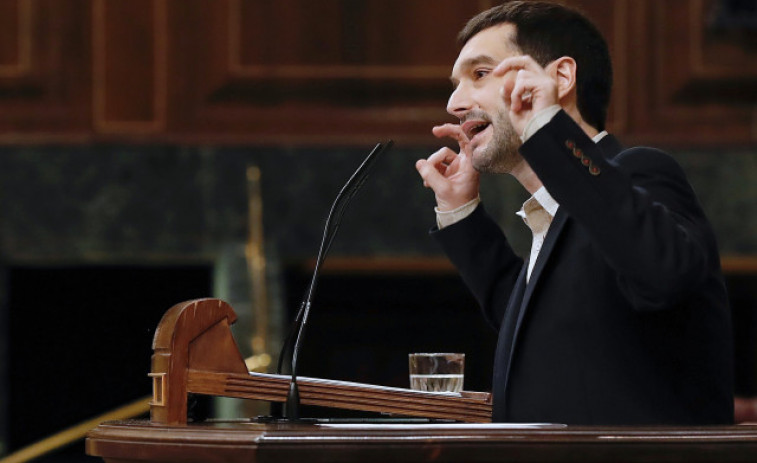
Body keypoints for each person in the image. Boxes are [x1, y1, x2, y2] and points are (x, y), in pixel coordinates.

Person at [415, 1, 734, 425]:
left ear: (560, 78)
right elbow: (540, 323)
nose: (455, 102)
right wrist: (462, 213)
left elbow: (663, 273)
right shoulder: (559, 214)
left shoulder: (641, 171)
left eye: (480, 74)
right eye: (456, 84)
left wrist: (549, 130)